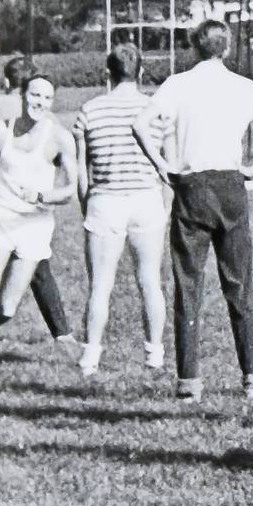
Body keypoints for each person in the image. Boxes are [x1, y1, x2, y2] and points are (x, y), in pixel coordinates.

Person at [144, 20, 253, 402]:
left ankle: (189, 382)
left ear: (194, 47)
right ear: (227, 48)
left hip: (191, 187)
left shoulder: (177, 85)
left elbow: (140, 124)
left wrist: (161, 165)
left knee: (188, 286)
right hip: (230, 184)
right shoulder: (242, 86)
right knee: (239, 284)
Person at [0, 56, 84, 350]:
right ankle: (61, 332)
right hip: (22, 208)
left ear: (7, 81)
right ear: (23, 88)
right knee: (37, 269)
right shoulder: (47, 119)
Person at [73, 44, 168, 377]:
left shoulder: (89, 110)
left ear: (107, 73)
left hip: (105, 200)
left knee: (100, 285)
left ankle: (90, 356)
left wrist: (87, 202)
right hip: (146, 198)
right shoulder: (155, 109)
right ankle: (154, 352)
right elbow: (166, 165)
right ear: (141, 72)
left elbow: (82, 170)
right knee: (150, 280)